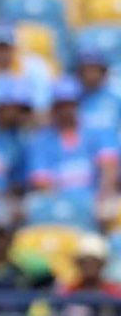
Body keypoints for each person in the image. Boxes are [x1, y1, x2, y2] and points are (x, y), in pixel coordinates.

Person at [26, 76, 119, 225]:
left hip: (95, 200)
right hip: (58, 203)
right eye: (60, 106)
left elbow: (109, 167)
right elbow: (42, 181)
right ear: (53, 108)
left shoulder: (97, 130)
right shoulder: (41, 140)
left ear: (78, 105)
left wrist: (103, 195)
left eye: (70, 105)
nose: (66, 111)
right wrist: (68, 206)